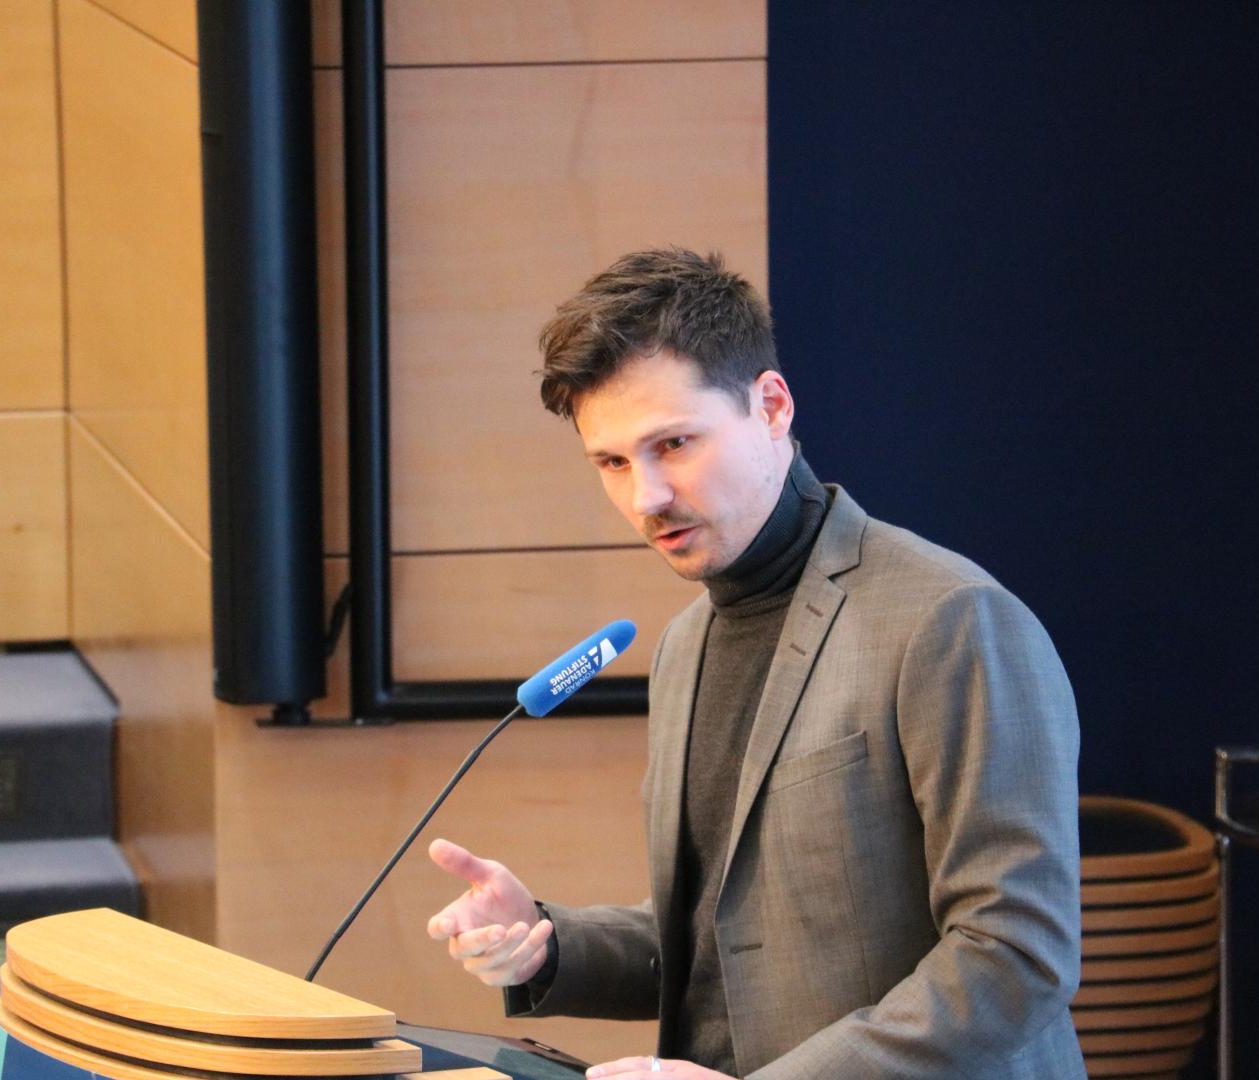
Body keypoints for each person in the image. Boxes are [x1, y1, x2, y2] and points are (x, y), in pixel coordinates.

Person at [426, 249, 1086, 1079]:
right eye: (613, 462)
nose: (646, 497)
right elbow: (725, 939)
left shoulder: (949, 619)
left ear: (772, 406)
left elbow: (1014, 956)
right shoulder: (684, 646)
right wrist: (547, 943)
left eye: (674, 443)